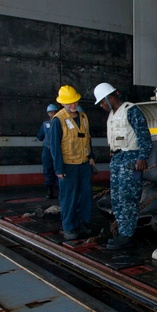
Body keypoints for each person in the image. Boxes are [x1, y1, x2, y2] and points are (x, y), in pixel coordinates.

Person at [94, 81, 152, 249]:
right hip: (117, 158)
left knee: (128, 199)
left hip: (131, 158)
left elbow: (144, 135)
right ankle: (122, 231)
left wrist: (142, 157)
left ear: (110, 97)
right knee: (117, 199)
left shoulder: (131, 111)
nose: (102, 105)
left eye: (103, 101)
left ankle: (127, 236)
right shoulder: (113, 114)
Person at [48, 85, 96, 240]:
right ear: (62, 104)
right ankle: (69, 227)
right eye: (69, 103)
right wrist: (58, 168)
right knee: (69, 197)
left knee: (86, 195)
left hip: (84, 164)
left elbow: (88, 138)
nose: (73, 105)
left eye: (75, 101)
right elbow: (55, 146)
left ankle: (85, 222)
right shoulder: (58, 120)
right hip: (68, 165)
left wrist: (91, 157)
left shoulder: (83, 117)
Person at [37, 103, 59, 198]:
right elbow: (40, 136)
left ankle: (59, 192)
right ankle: (50, 191)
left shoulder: (59, 123)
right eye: (51, 112)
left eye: (54, 112)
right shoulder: (45, 124)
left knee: (59, 169)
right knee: (48, 170)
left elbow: (40, 137)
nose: (53, 114)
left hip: (56, 150)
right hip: (48, 150)